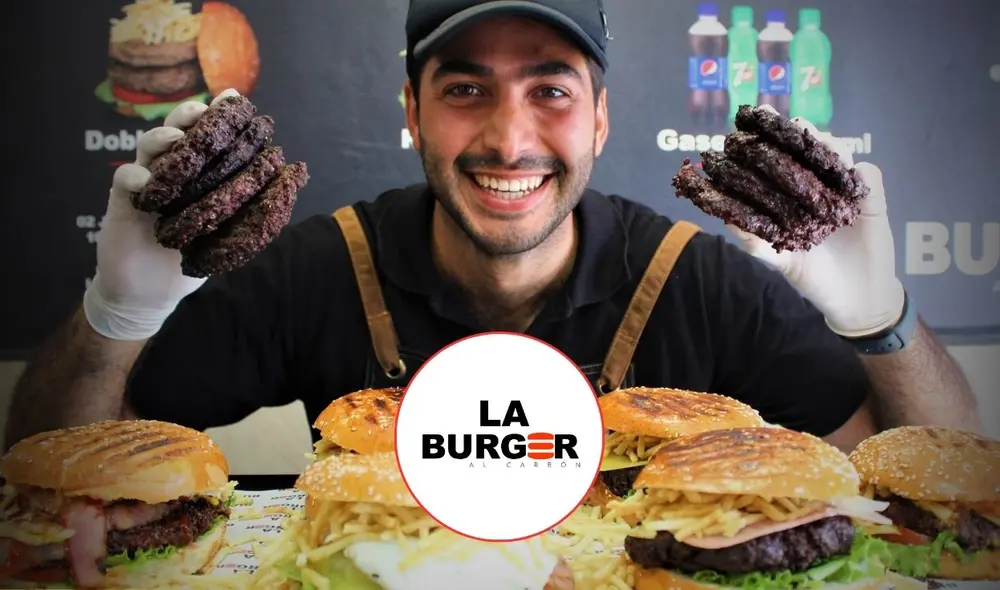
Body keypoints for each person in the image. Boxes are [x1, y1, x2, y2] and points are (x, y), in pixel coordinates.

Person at [4, 0, 979, 454]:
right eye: (465, 89)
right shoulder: (316, 269)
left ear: (600, 119)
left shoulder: (693, 278)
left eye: (549, 90)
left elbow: (948, 484)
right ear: (412, 112)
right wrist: (114, 316)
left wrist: (880, 317)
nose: (509, 139)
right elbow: (52, 467)